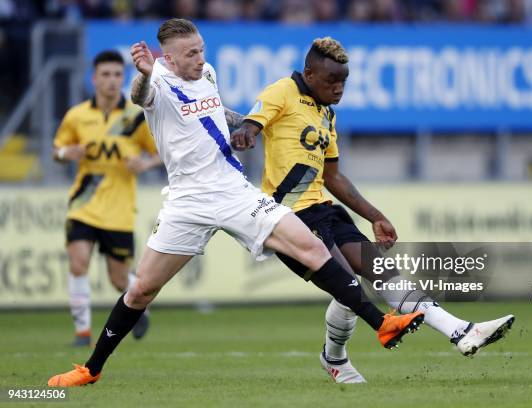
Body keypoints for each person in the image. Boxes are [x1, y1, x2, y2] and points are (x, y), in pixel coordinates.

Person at [47, 18, 424, 387]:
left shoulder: (207, 72)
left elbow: (214, 112)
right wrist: (145, 72)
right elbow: (139, 96)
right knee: (141, 290)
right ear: (170, 59)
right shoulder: (155, 81)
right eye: (190, 54)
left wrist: (245, 124)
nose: (199, 58)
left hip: (233, 190)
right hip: (188, 201)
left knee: (309, 246)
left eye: (201, 50)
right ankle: (91, 369)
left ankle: (382, 324)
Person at [231, 37, 515, 384]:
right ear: (309, 73)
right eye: (331, 81)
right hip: (292, 218)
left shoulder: (326, 114)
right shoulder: (283, 91)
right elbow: (253, 121)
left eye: (343, 82)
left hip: (326, 211)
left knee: (385, 275)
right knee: (349, 288)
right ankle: (338, 358)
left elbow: (333, 176)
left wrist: (375, 215)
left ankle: (460, 331)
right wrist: (246, 132)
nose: (338, 89)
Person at [53, 50, 161, 347]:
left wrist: (145, 164)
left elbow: (161, 151)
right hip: (83, 205)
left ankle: (141, 309)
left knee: (117, 279)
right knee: (78, 263)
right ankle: (82, 333)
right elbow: (57, 150)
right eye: (106, 75)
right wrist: (67, 153)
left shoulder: (134, 117)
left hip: (119, 210)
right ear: (94, 78)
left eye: (117, 75)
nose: (112, 81)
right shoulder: (77, 115)